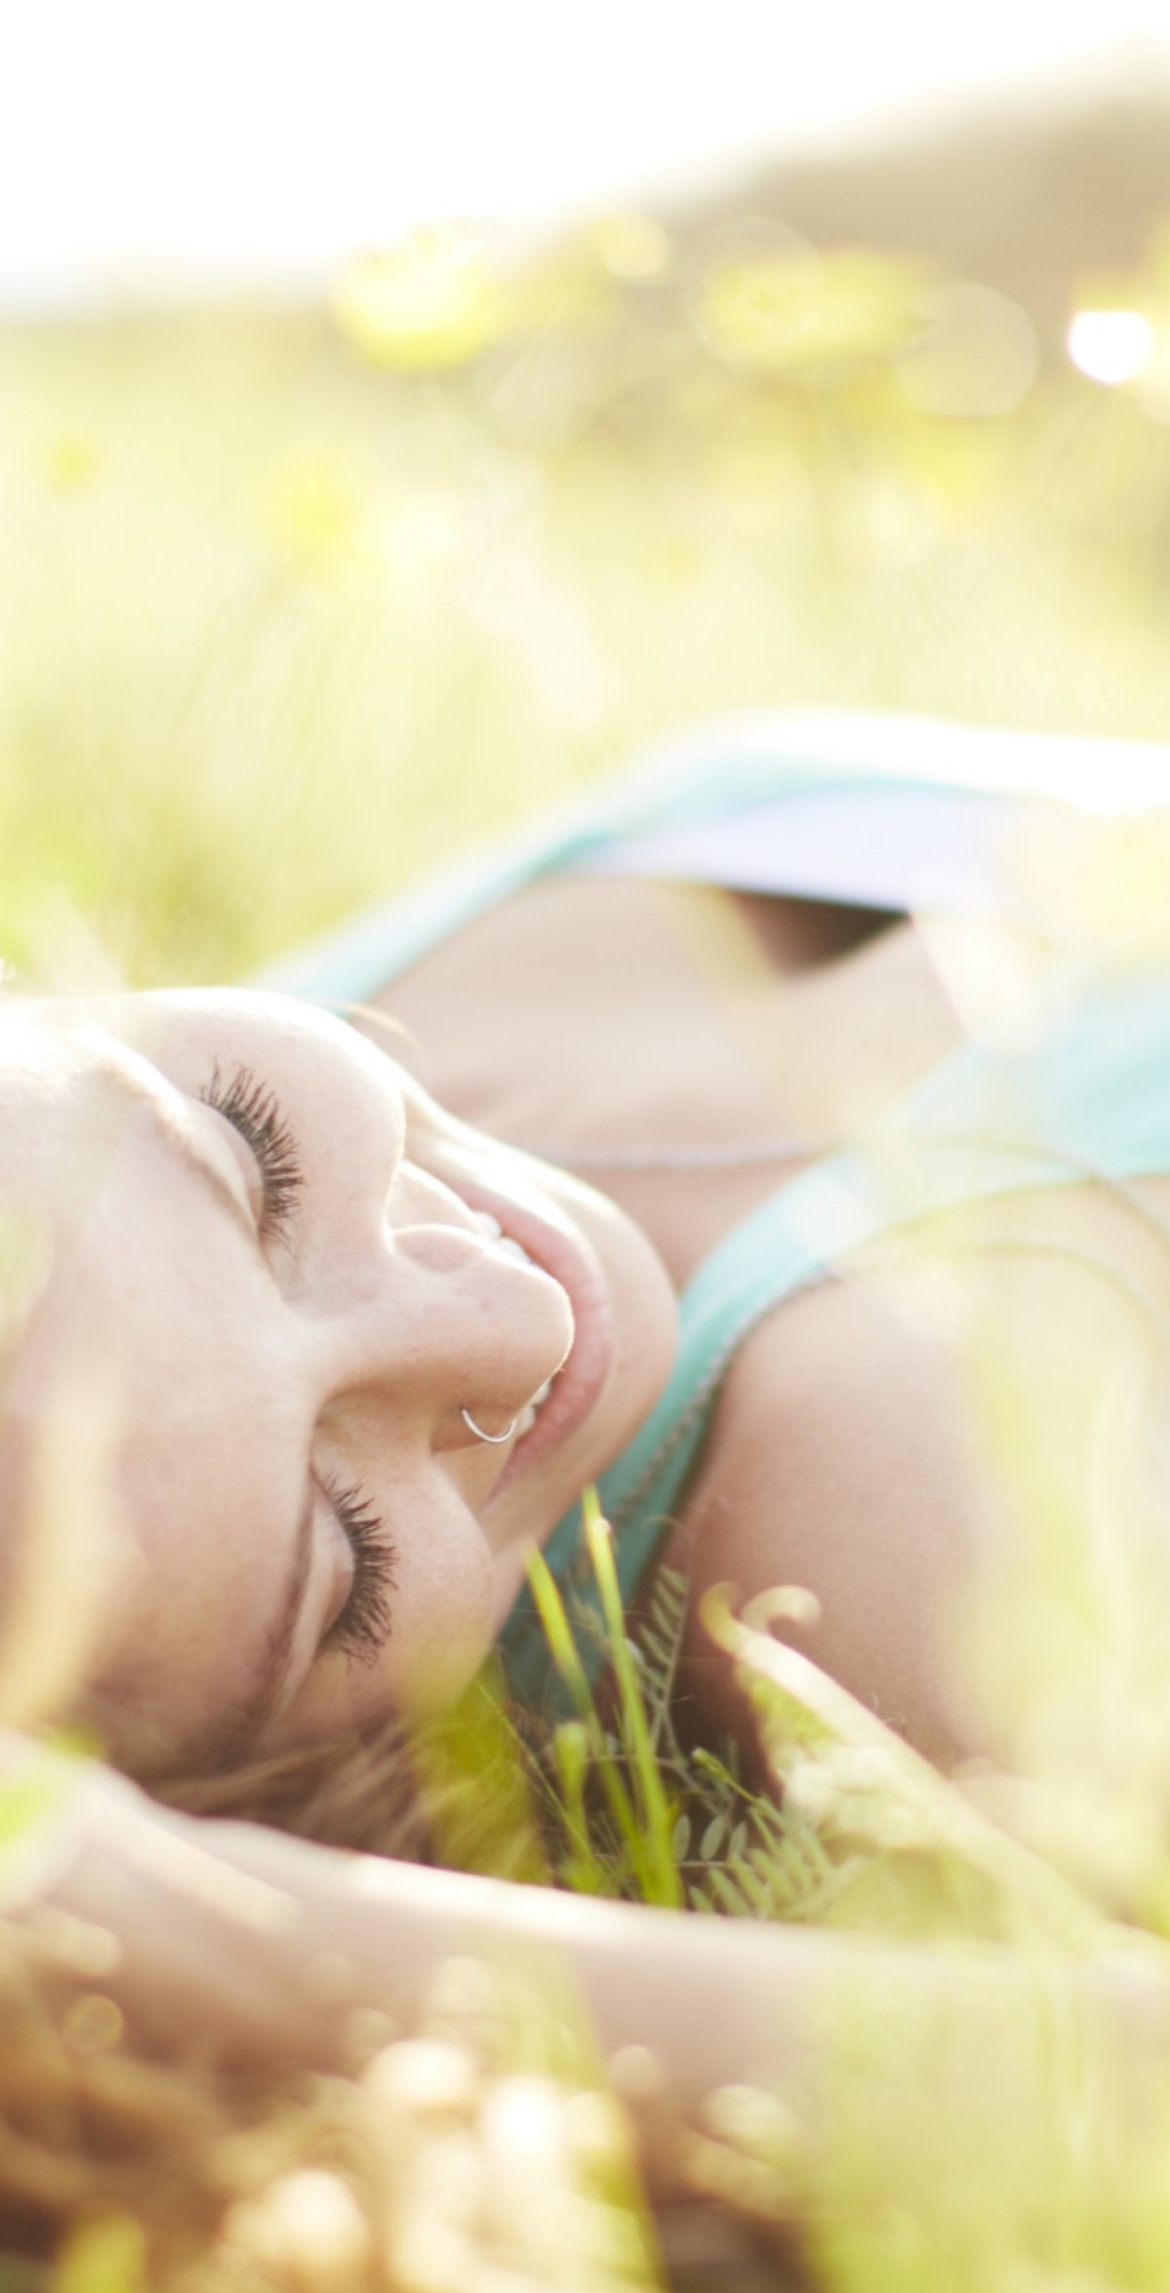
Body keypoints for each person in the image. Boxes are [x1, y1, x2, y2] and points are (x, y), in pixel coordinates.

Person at [5, 709, 1170, 2114]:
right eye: (354, 1565)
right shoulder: (904, 1533)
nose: (517, 1322)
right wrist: (165, 1918)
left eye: (259, 1159)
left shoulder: (368, 1015)